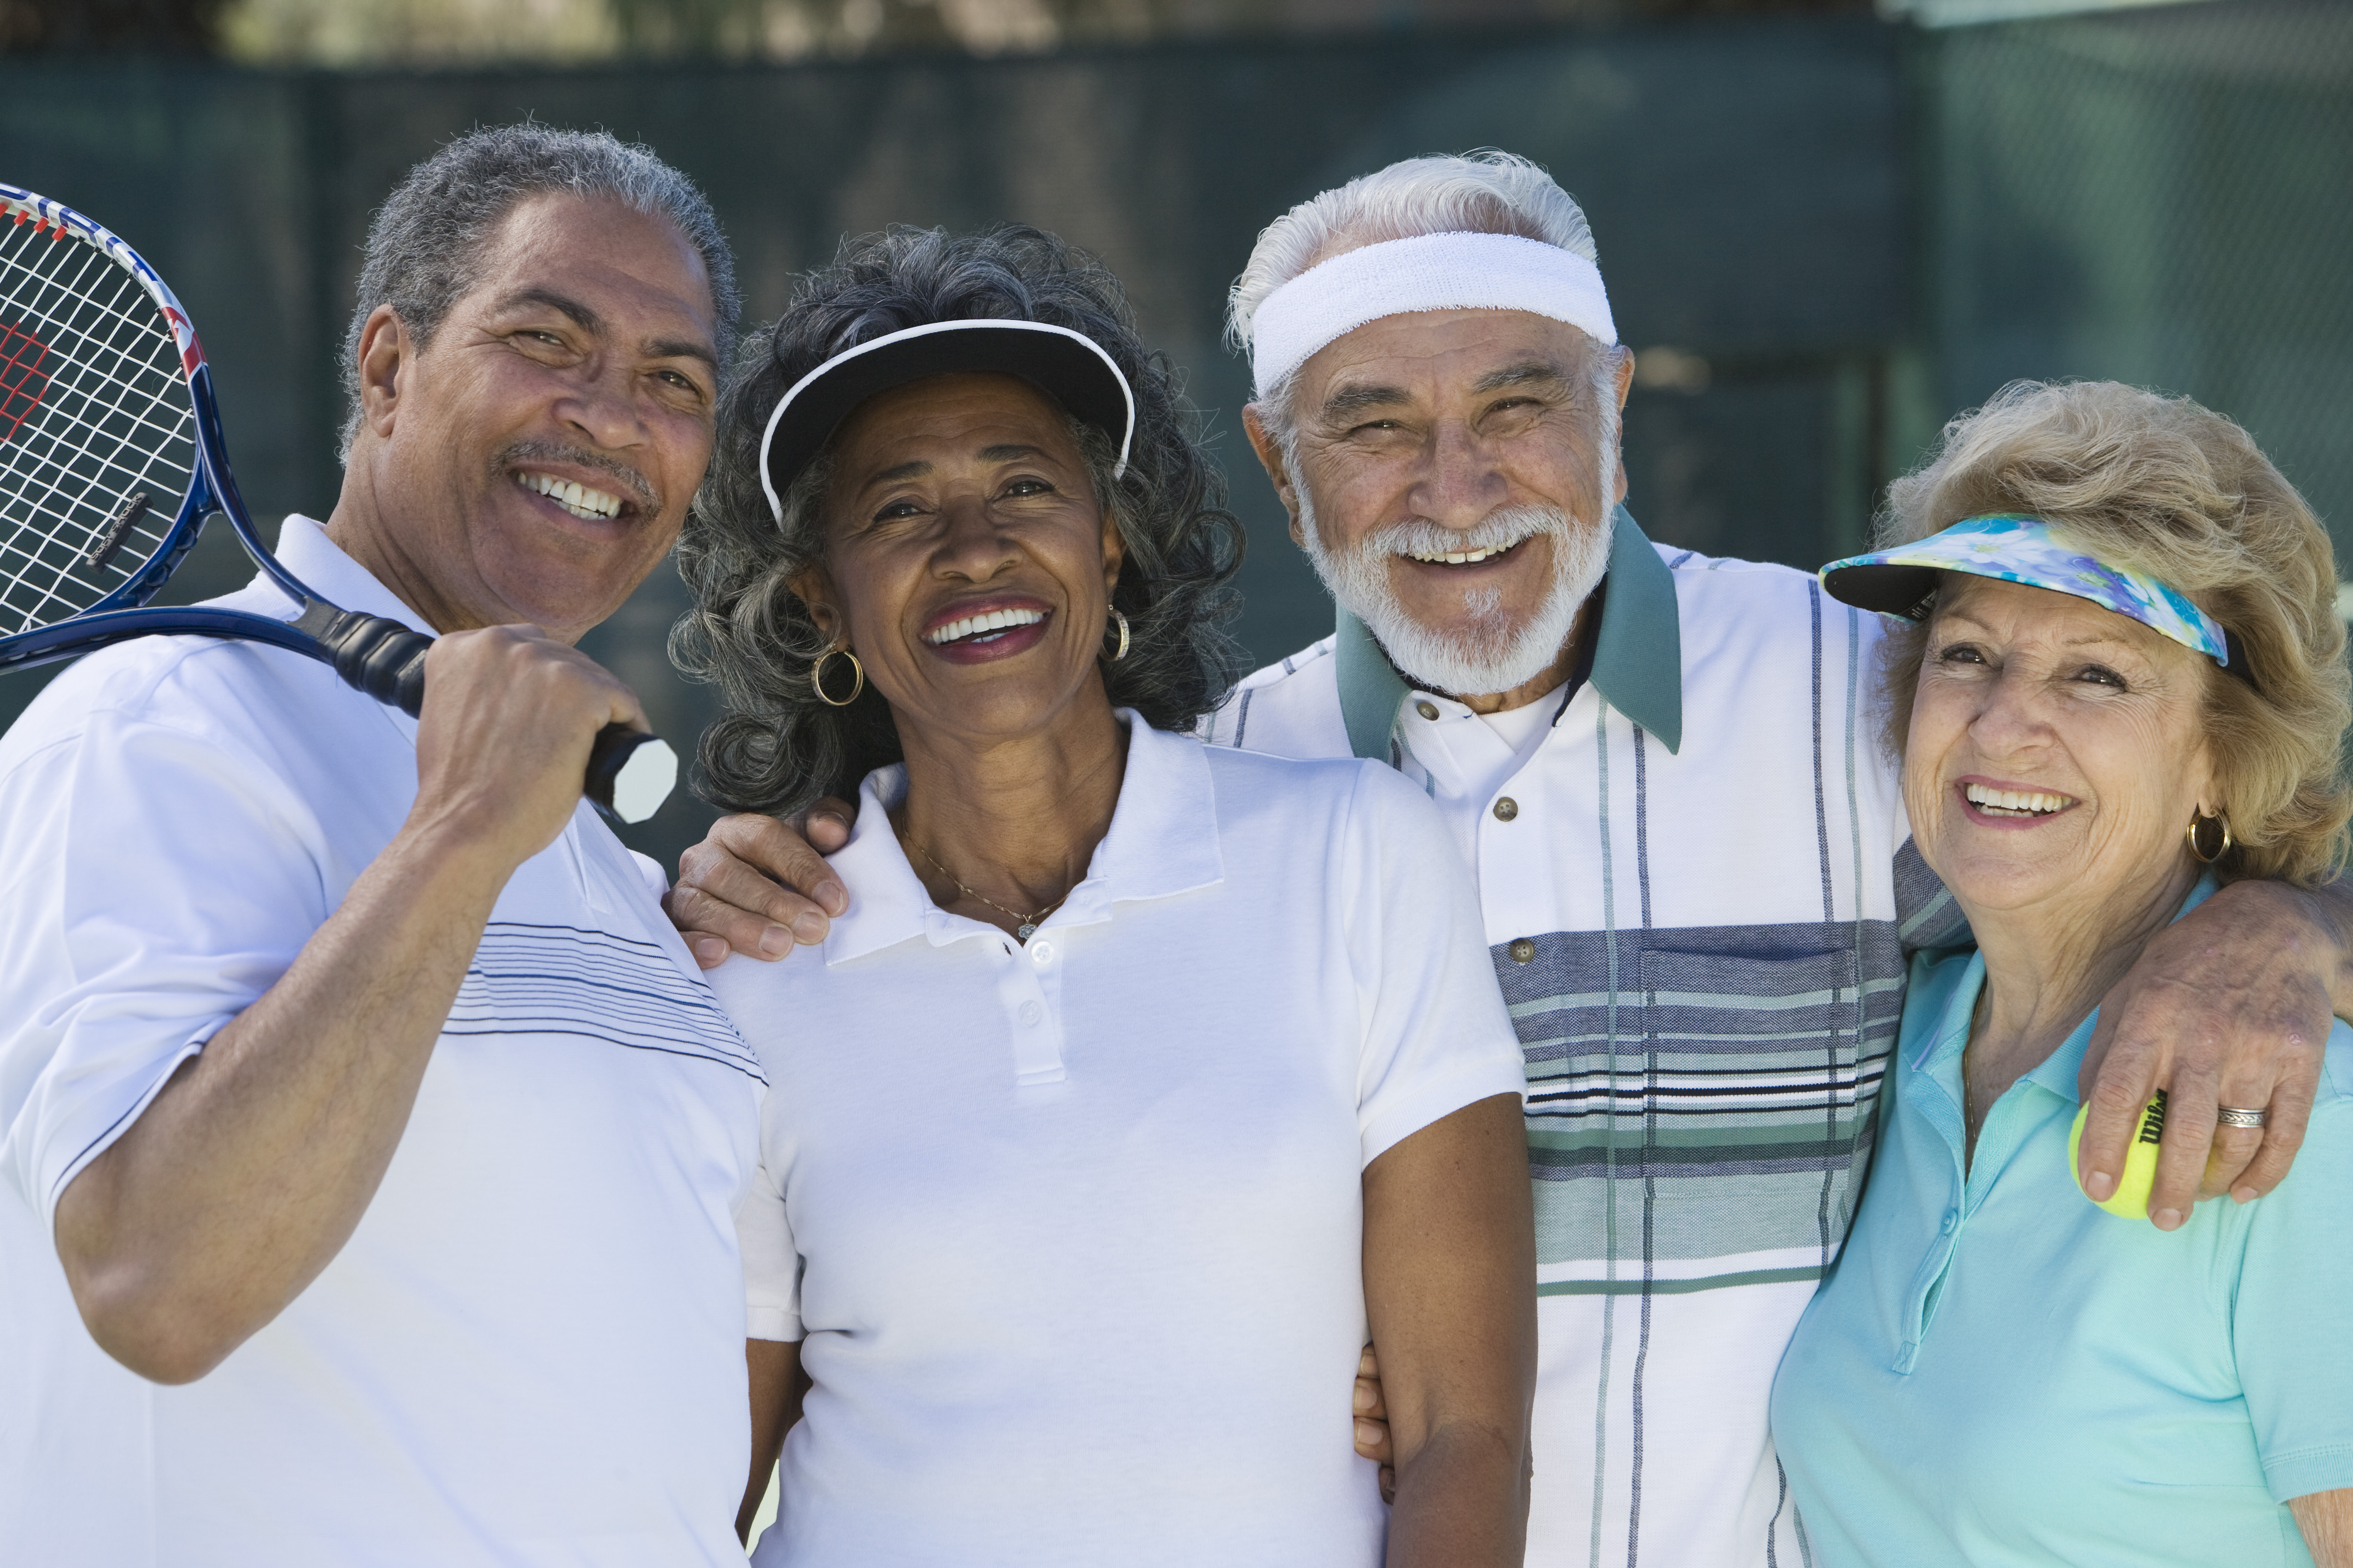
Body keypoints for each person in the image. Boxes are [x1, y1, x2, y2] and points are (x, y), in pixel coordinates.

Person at [664, 154, 2353, 1566]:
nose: (1455, 485)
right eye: (1372, 421)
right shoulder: (1225, 788)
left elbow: (2162, 812)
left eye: (1518, 403)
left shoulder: (1884, 704)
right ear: (1275, 461)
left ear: (1614, 404)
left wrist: (2281, 924)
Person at [672, 223, 1537, 1566]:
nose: (973, 548)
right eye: (898, 509)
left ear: (1113, 543)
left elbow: (1461, 1437)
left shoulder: (1359, 855)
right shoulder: (747, 961)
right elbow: (695, 1488)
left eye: (1025, 487)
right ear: (821, 605)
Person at [0, 127, 764, 1565]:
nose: (611, 418)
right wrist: (463, 831)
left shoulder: (596, 844)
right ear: (388, 369)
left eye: (675, 383)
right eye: (550, 340)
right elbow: (158, 1279)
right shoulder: (159, 726)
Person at [1771, 380, 2353, 1566]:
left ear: (2221, 758)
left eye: (2097, 674)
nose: (1999, 725)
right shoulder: (1902, 1034)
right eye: (1968, 653)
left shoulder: (2302, 1118)